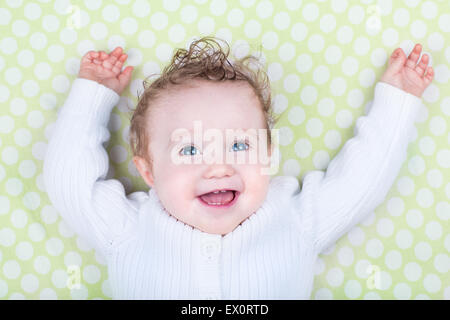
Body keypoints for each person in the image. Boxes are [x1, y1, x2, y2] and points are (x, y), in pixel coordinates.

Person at [43, 37, 434, 299]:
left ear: (267, 156)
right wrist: (92, 94)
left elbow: (360, 182)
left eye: (239, 144)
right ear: (148, 172)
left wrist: (396, 102)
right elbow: (68, 182)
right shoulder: (129, 227)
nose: (218, 165)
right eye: (190, 148)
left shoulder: (294, 219)